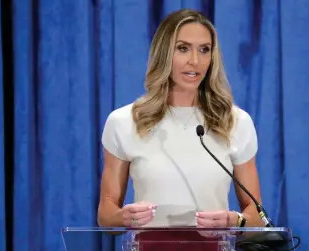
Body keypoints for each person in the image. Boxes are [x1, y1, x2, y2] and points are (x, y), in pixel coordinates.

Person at [97, 8, 265, 250]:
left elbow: (257, 215)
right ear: (164, 53)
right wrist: (125, 217)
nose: (195, 61)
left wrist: (235, 220)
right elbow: (106, 215)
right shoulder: (124, 121)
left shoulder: (235, 122)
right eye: (183, 48)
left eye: (204, 50)